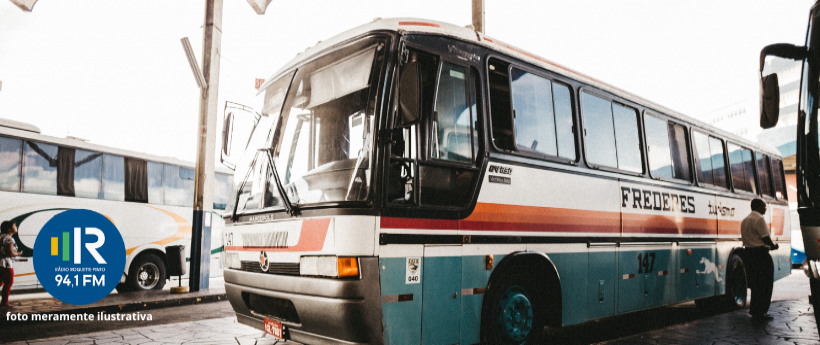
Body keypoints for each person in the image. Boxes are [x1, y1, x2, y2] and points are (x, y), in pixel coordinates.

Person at [740, 198, 779, 320]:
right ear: (758, 207)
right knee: (765, 283)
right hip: (761, 255)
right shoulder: (759, 219)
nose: (765, 208)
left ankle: (754, 310)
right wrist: (773, 246)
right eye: (764, 206)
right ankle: (762, 312)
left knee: (755, 284)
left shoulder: (745, 220)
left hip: (748, 254)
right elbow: (765, 238)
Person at [0, 220, 21, 308]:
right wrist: (19, 253)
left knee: (1, 282)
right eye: (14, 225)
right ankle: (4, 303)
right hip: (6, 264)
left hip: (1, 264)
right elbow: (10, 253)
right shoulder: (8, 238)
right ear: (9, 229)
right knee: (8, 282)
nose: (16, 227)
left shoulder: (1, 236)